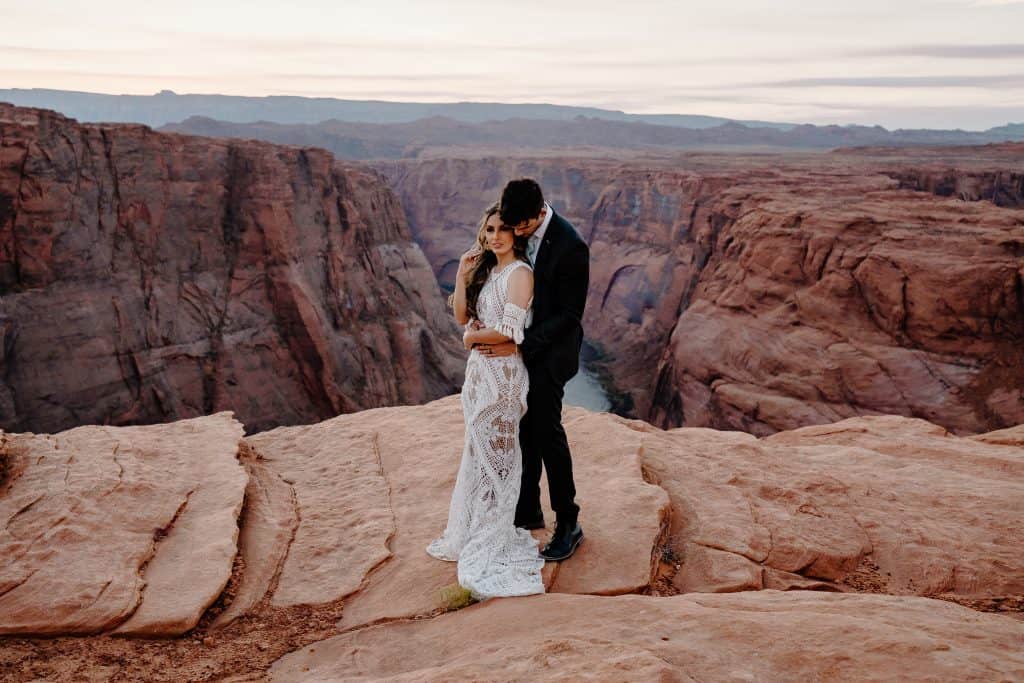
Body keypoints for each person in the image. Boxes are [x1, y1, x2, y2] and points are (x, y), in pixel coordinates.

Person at [424, 202, 545, 599]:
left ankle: (495, 534)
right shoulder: (488, 271)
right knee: (478, 453)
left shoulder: (520, 274)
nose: (494, 237)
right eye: (489, 230)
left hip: (504, 380)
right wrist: (461, 274)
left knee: (500, 456)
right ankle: (478, 525)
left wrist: (472, 339)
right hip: (479, 376)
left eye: (502, 230)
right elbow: (461, 316)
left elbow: (511, 331)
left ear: (516, 235)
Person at [476, 178, 589, 562]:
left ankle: (569, 523)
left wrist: (519, 342)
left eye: (522, 227)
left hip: (551, 353)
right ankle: (527, 508)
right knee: (524, 428)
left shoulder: (571, 246)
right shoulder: (518, 223)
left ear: (540, 213)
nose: (517, 233)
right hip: (521, 350)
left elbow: (570, 317)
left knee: (546, 429)